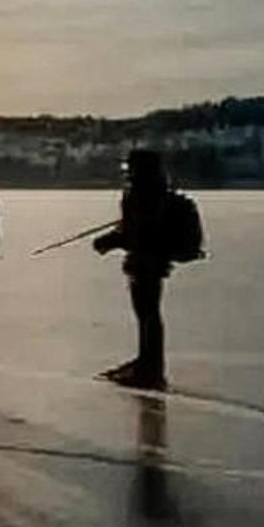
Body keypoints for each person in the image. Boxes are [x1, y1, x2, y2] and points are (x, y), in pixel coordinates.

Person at [93, 149, 201, 390]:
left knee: (148, 315)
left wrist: (107, 242)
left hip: (145, 263)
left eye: (129, 167)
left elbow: (135, 233)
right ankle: (147, 363)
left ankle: (150, 369)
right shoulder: (157, 193)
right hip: (155, 261)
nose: (126, 172)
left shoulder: (138, 196)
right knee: (149, 314)